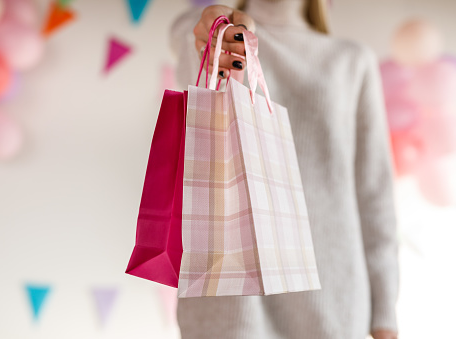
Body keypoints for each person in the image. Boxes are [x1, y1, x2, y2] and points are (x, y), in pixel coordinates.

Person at [170, 1, 399, 339]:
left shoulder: (351, 61)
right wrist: (215, 28)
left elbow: (374, 193)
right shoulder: (220, 31)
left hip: (332, 294)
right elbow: (193, 43)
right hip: (231, 297)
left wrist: (385, 314)